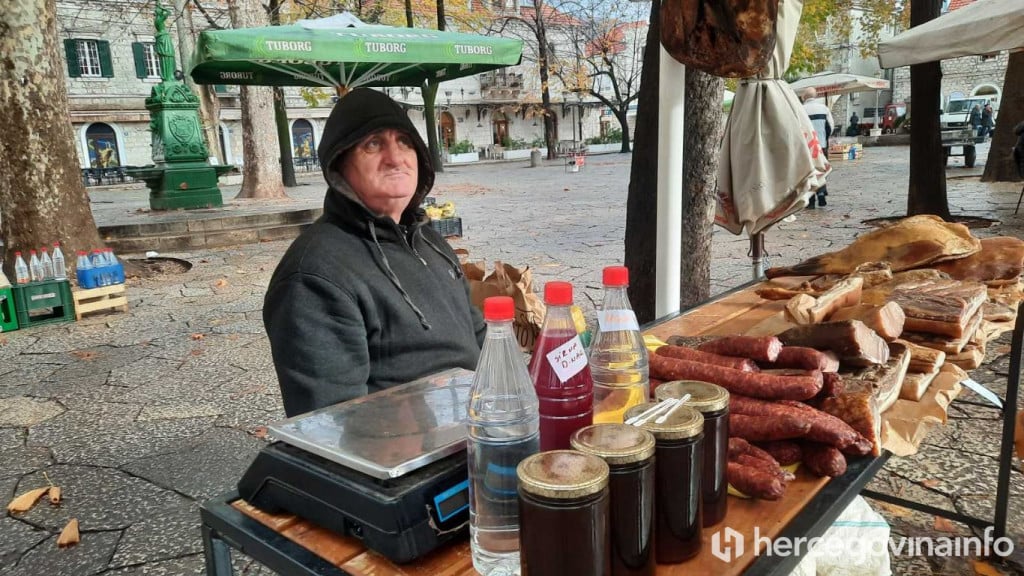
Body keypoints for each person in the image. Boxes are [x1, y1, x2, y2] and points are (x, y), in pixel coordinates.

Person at [263, 88, 486, 417]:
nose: (396, 158)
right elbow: (334, 422)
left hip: (482, 423)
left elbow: (482, 339)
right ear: (340, 165)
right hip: (414, 454)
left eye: (405, 142)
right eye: (373, 144)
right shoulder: (313, 276)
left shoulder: (431, 243)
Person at [801, 87, 833, 209]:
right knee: (822, 169)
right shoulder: (824, 109)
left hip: (806, 147)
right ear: (816, 96)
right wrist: (823, 138)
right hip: (821, 145)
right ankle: (821, 193)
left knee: (809, 172)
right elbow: (830, 126)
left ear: (804, 97)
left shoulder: (801, 110)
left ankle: (811, 198)